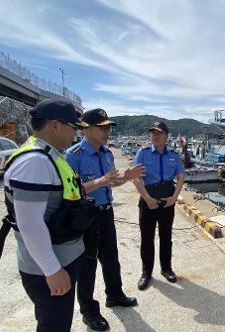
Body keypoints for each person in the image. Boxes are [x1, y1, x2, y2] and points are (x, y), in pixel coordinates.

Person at [0, 98, 86, 331]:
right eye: (73, 125)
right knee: (53, 326)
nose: (75, 131)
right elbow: (30, 223)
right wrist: (52, 269)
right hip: (50, 266)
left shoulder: (50, 155)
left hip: (63, 256)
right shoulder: (35, 161)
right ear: (55, 125)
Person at [65, 108, 144, 331]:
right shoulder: (74, 155)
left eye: (108, 127)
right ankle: (89, 311)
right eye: (102, 128)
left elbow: (111, 181)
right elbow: (70, 191)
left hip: (106, 212)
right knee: (87, 265)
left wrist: (126, 178)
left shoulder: (107, 154)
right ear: (87, 129)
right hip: (86, 216)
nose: (107, 131)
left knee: (111, 258)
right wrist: (100, 181)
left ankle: (115, 295)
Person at [133, 121, 185, 290]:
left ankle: (166, 268)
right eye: (153, 133)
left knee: (166, 237)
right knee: (147, 238)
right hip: (148, 201)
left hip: (167, 202)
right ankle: (146, 273)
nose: (155, 136)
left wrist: (174, 197)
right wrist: (147, 198)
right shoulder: (143, 153)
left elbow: (180, 177)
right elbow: (136, 178)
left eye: (159, 133)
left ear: (166, 136)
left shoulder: (174, 155)